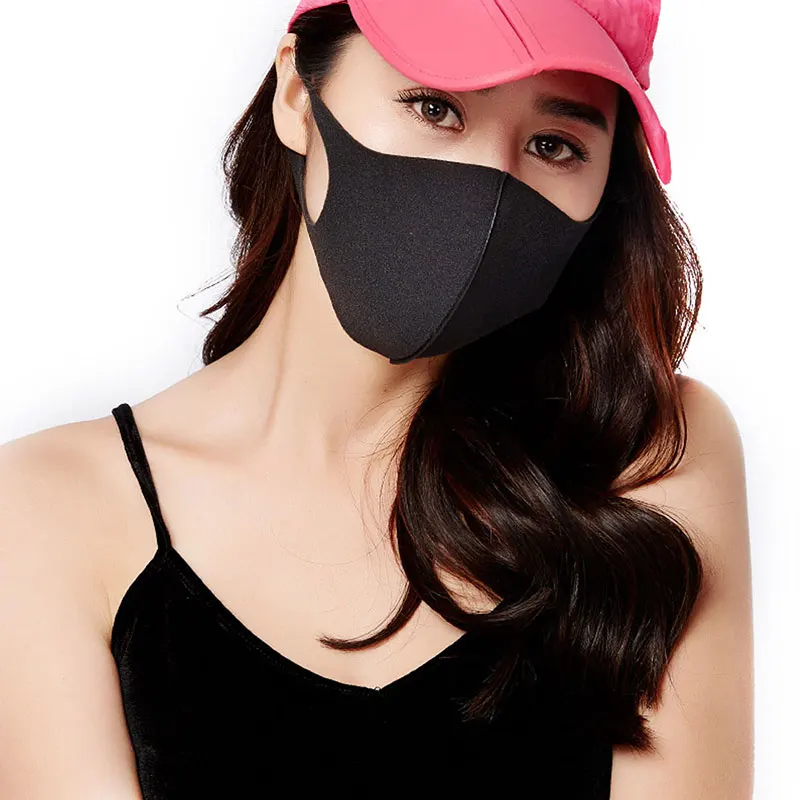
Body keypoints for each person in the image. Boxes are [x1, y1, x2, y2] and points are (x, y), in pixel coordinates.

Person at [0, 0, 754, 797]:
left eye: (553, 144)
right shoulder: (50, 510)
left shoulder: (644, 455)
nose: (490, 184)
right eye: (435, 107)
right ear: (298, 93)